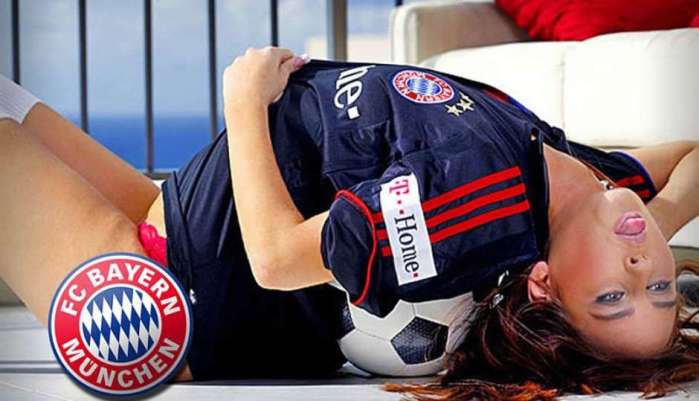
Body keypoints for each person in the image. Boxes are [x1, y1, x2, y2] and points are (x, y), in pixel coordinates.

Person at [0, 47, 697, 399]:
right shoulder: (572, 172)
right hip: (174, 210)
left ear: (543, 283)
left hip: (158, 295)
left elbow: (277, 259)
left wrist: (242, 99)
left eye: (613, 296)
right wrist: (658, 216)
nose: (643, 270)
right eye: (661, 289)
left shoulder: (473, 207)